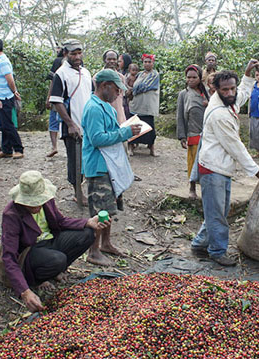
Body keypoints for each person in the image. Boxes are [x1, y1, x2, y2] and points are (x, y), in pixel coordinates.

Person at [191, 61, 259, 266]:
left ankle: (200, 243)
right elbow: (236, 147)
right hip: (212, 168)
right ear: (215, 89)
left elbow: (243, 93)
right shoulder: (219, 114)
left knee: (216, 210)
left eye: (232, 88)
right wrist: (256, 170)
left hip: (220, 167)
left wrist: (247, 74)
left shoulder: (229, 102)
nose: (230, 92)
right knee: (217, 213)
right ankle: (217, 251)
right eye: (225, 89)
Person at [0, 170, 109, 312]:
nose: (37, 206)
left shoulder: (47, 201)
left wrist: (87, 222)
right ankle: (38, 279)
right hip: (30, 251)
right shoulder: (12, 214)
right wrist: (24, 291)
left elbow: (60, 221)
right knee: (57, 260)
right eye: (32, 204)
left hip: (50, 240)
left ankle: (54, 271)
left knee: (87, 234)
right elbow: (9, 256)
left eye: (39, 202)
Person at [82, 69, 142, 266]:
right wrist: (124, 133)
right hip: (98, 165)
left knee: (109, 206)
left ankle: (106, 243)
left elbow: (112, 131)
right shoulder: (93, 108)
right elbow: (97, 139)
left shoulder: (106, 107)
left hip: (110, 166)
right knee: (100, 210)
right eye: (116, 89)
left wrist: (126, 131)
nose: (119, 94)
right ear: (104, 86)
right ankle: (93, 251)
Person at [49, 39, 92, 205]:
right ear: (66, 53)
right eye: (73, 53)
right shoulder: (61, 74)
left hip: (87, 124)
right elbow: (56, 101)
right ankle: (78, 193)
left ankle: (84, 190)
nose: (77, 56)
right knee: (75, 161)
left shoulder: (86, 72)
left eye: (79, 52)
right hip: (72, 127)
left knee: (86, 159)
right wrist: (70, 124)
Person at [0, 38, 24, 160]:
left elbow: (10, 79)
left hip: (5, 97)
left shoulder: (2, 61)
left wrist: (14, 92)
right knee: (3, 124)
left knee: (8, 124)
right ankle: (6, 149)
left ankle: (18, 148)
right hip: (1, 96)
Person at [176, 64, 209, 199]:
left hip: (207, 133)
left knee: (206, 162)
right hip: (193, 133)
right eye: (188, 77)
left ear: (200, 78)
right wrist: (182, 136)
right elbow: (180, 116)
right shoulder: (183, 94)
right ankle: (192, 187)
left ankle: (206, 187)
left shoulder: (206, 92)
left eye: (194, 77)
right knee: (193, 162)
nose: (191, 80)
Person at [129, 54, 160, 156]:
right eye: (145, 62)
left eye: (149, 62)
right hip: (137, 105)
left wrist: (133, 90)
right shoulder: (139, 74)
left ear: (153, 63)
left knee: (149, 127)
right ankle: (131, 147)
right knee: (134, 125)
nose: (147, 64)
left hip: (147, 106)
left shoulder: (155, 75)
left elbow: (144, 86)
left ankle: (152, 148)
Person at [45, 45, 66, 158]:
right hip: (62, 96)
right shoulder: (60, 62)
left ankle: (54, 147)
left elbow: (52, 82)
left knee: (54, 121)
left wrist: (49, 97)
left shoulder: (58, 61)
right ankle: (55, 147)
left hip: (59, 95)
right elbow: (53, 80)